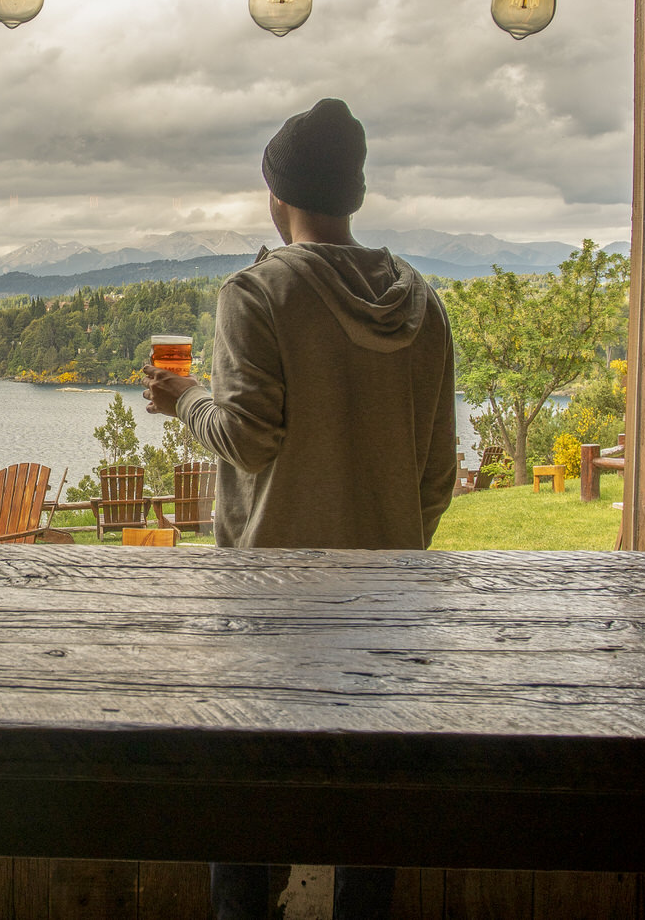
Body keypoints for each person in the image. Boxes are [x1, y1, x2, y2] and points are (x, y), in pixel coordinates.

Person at [141, 97, 458, 918]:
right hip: (389, 602)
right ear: (352, 196)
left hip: (271, 606)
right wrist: (385, 542)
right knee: (371, 818)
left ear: (277, 197)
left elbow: (246, 439)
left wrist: (182, 398)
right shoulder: (424, 304)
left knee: (245, 805)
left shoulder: (258, 294)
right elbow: (436, 475)